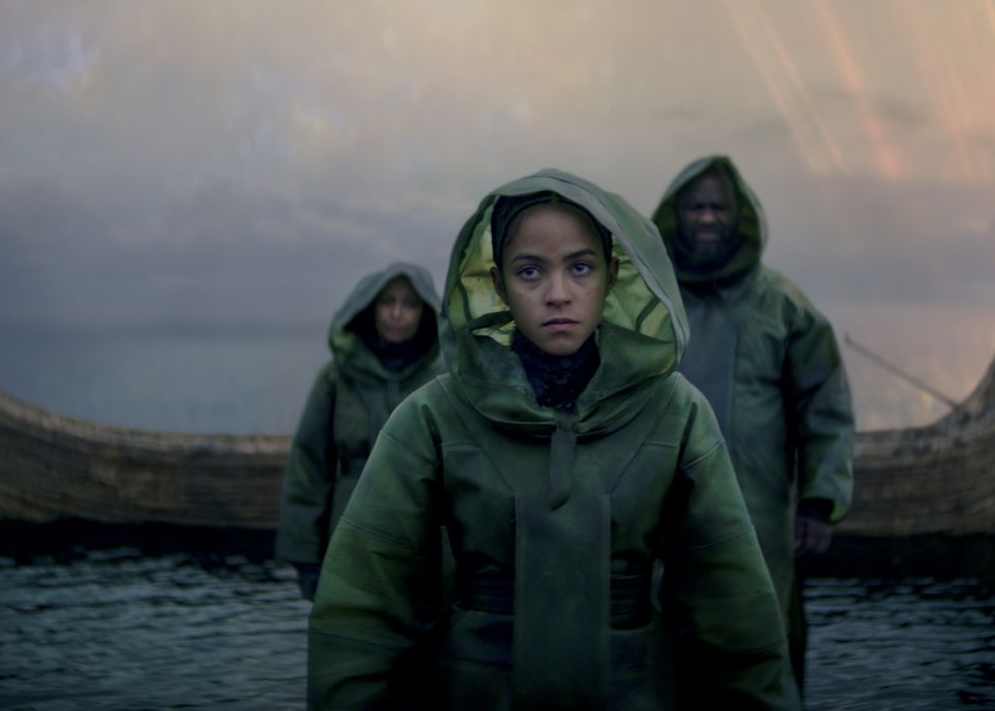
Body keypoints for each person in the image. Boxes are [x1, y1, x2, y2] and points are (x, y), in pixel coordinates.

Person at [307, 169, 800, 710]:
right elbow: (364, 615)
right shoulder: (432, 417)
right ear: (498, 285)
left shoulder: (676, 414)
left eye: (580, 267)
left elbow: (734, 619)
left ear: (612, 275)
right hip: (475, 691)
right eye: (530, 271)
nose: (558, 294)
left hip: (635, 691)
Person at [651, 155, 855, 687]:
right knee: (665, 642)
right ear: (676, 216)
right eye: (696, 207)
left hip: (760, 513)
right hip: (661, 511)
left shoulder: (783, 306)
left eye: (720, 207)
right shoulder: (649, 304)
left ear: (739, 216)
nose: (708, 218)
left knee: (766, 642)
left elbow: (825, 405)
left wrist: (817, 502)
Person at [275, 263, 443, 601]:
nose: (397, 313)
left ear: (425, 312)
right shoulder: (336, 378)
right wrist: (305, 555)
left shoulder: (443, 382)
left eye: (409, 304)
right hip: (347, 535)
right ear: (370, 308)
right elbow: (310, 464)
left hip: (424, 542)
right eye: (387, 302)